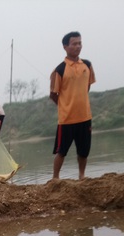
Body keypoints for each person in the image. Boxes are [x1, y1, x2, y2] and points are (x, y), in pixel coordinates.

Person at [49, 32, 96, 180]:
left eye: (79, 43)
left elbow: (87, 86)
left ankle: (82, 175)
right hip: (66, 119)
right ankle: (55, 178)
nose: (78, 46)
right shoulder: (60, 70)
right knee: (61, 151)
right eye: (74, 44)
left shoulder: (87, 65)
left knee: (84, 151)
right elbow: (53, 94)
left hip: (85, 116)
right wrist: (64, 105)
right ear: (65, 47)